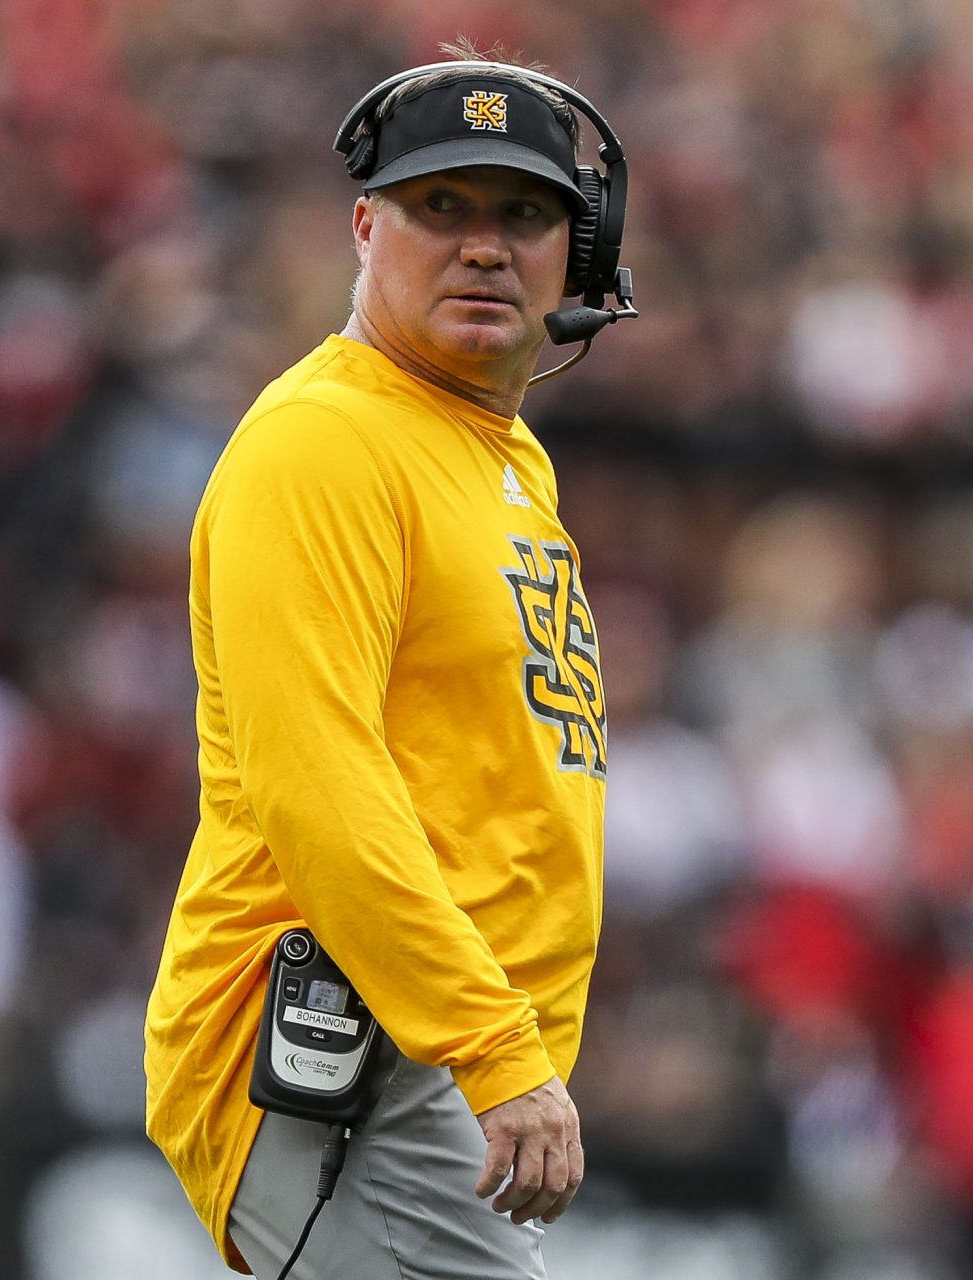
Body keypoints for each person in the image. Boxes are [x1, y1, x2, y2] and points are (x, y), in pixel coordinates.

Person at [144, 41, 616, 1278]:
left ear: (583, 252)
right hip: (352, 1057)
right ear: (364, 227)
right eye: (439, 207)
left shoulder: (498, 456)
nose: (483, 243)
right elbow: (321, 785)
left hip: (425, 1059)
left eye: (526, 212)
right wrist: (494, 1047)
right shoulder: (327, 443)